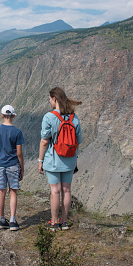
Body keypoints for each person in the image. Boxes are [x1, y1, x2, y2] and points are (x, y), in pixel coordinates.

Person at [38, 87, 82, 231]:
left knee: (55, 191)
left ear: (54, 99)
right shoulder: (73, 118)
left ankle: (54, 222)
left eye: (50, 99)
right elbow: (78, 140)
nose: (49, 101)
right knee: (66, 191)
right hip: (69, 161)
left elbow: (44, 141)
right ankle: (64, 222)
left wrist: (40, 160)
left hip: (53, 161)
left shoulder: (49, 117)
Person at [0, 105, 25, 231]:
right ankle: (12, 221)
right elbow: (19, 153)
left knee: (1, 191)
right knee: (13, 191)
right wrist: (22, 168)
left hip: (0, 165)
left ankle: (0, 219)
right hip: (13, 165)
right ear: (14, 116)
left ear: (2, 115)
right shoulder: (17, 132)